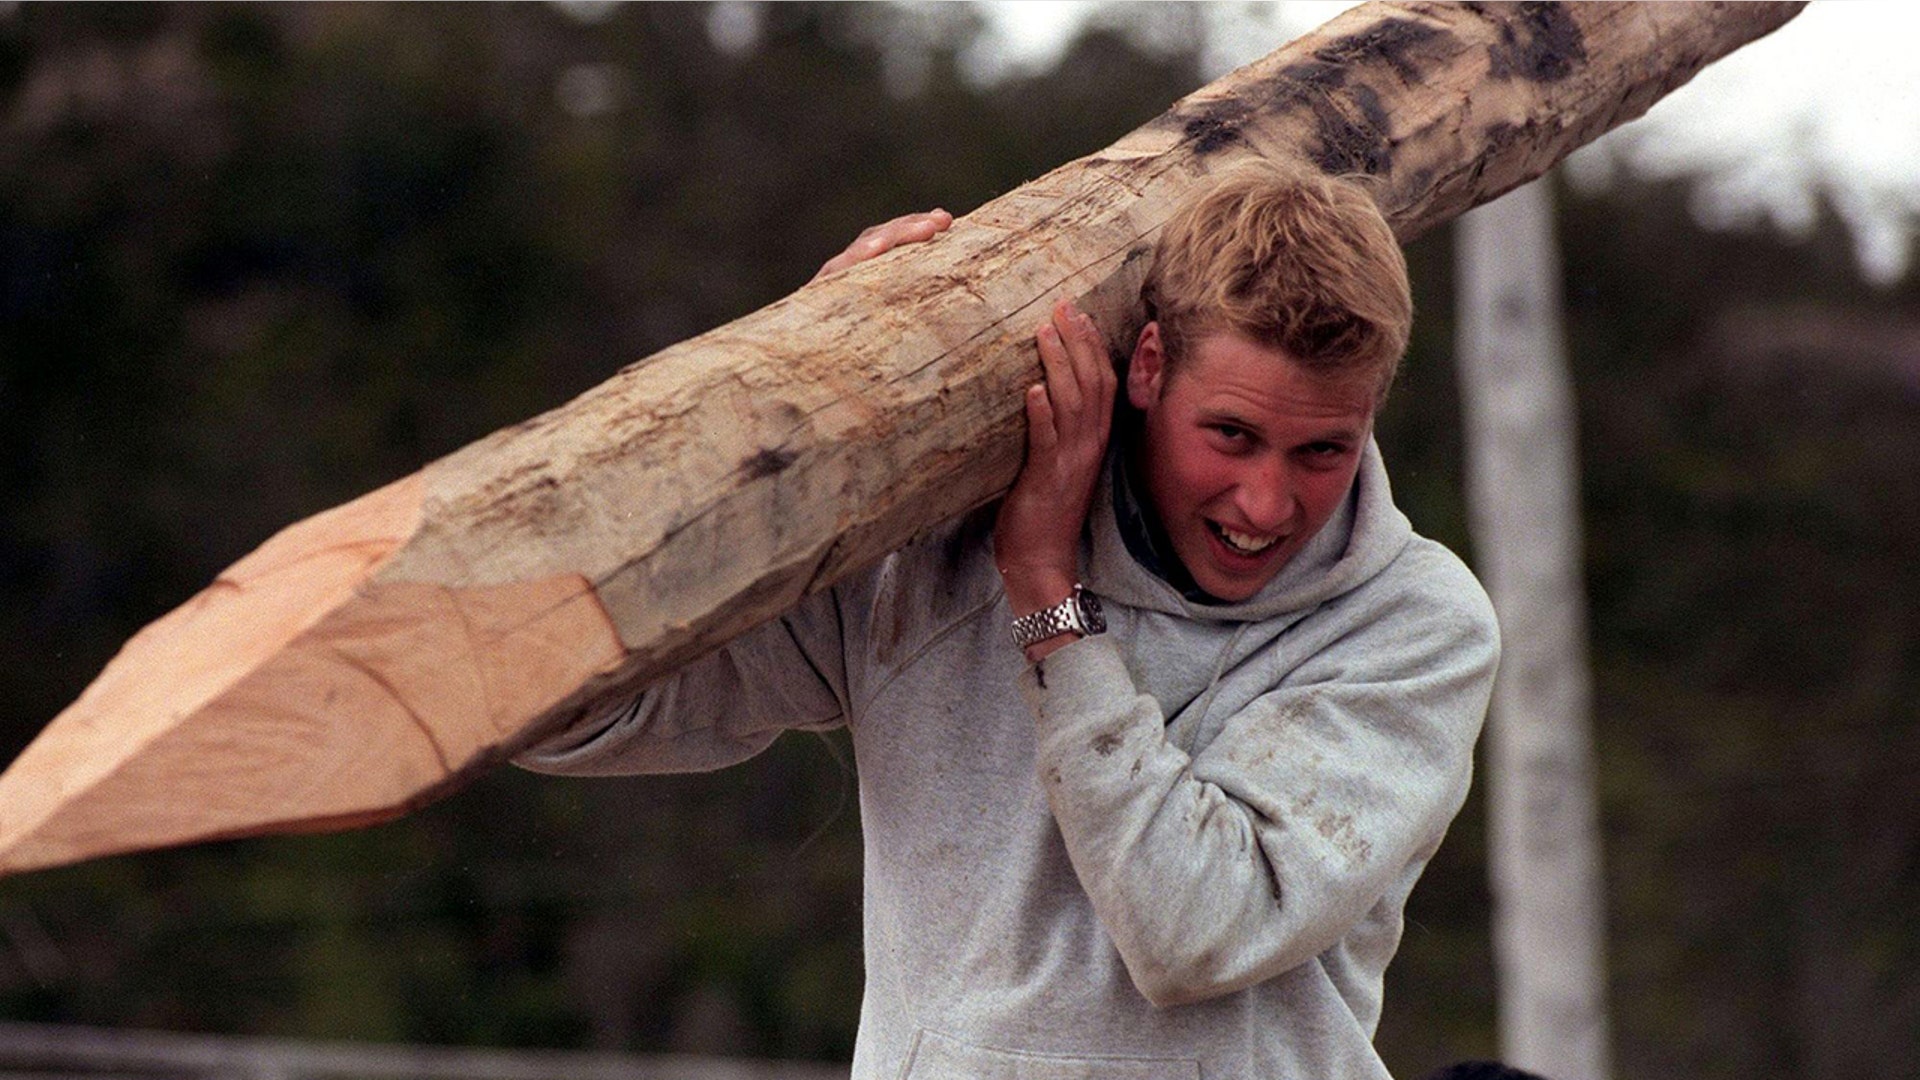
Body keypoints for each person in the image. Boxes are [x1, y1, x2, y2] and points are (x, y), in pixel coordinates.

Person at [518, 163, 1499, 1079]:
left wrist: (1045, 592)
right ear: (1150, 368)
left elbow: (1196, 929)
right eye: (1231, 437)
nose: (1265, 503)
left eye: (1321, 450)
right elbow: (560, 709)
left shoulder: (1414, 626)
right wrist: (778, 395)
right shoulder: (932, 548)